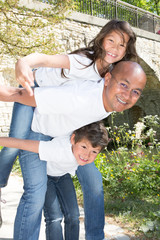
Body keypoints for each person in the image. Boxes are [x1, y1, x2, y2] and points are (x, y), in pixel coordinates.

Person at [0, 19, 139, 240]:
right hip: (34, 90)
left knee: (93, 182)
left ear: (126, 50)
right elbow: (44, 60)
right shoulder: (84, 61)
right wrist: (23, 62)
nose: (114, 48)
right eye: (110, 40)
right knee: (14, 141)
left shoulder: (112, 76)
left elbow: (94, 108)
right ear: (101, 39)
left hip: (62, 124)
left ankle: (95, 236)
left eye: (121, 44)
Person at [0, 121, 109, 240]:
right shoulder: (58, 149)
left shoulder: (82, 153)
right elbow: (22, 143)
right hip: (46, 178)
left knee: (73, 215)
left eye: (94, 152)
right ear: (73, 139)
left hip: (63, 177)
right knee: (55, 217)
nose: (87, 155)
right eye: (84, 147)